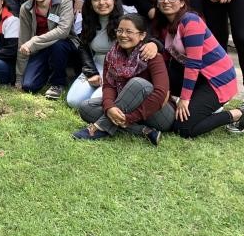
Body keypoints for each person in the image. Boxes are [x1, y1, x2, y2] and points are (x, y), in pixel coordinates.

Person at [153, 0, 244, 137]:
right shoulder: (164, 25)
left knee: (183, 128)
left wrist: (185, 99)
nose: (166, 1)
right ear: (157, 4)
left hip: (217, 80)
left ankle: (239, 113)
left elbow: (193, 63)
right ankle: (199, 106)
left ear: (182, 3)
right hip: (198, 77)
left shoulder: (191, 21)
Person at [73, 14, 174, 145]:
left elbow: (161, 93)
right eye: (120, 31)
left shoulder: (153, 57)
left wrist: (130, 118)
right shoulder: (111, 55)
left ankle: (99, 127)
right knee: (86, 107)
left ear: (142, 35)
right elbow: (109, 86)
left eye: (129, 31)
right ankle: (144, 131)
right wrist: (109, 108)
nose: (123, 35)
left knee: (138, 83)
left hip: (158, 113)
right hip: (126, 107)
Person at [15, 0, 79, 100]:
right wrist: (19, 77)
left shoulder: (64, 0)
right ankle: (52, 71)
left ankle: (58, 84)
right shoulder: (26, 8)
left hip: (65, 44)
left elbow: (63, 31)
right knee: (28, 86)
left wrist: (34, 41)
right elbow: (23, 41)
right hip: (41, 49)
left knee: (58, 45)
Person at [65, 0, 123, 109]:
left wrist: (154, 44)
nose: (101, 3)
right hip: (97, 65)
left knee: (94, 102)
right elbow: (83, 47)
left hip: (119, 70)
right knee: (73, 101)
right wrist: (91, 73)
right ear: (90, 3)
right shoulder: (89, 20)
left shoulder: (126, 19)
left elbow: (146, 39)